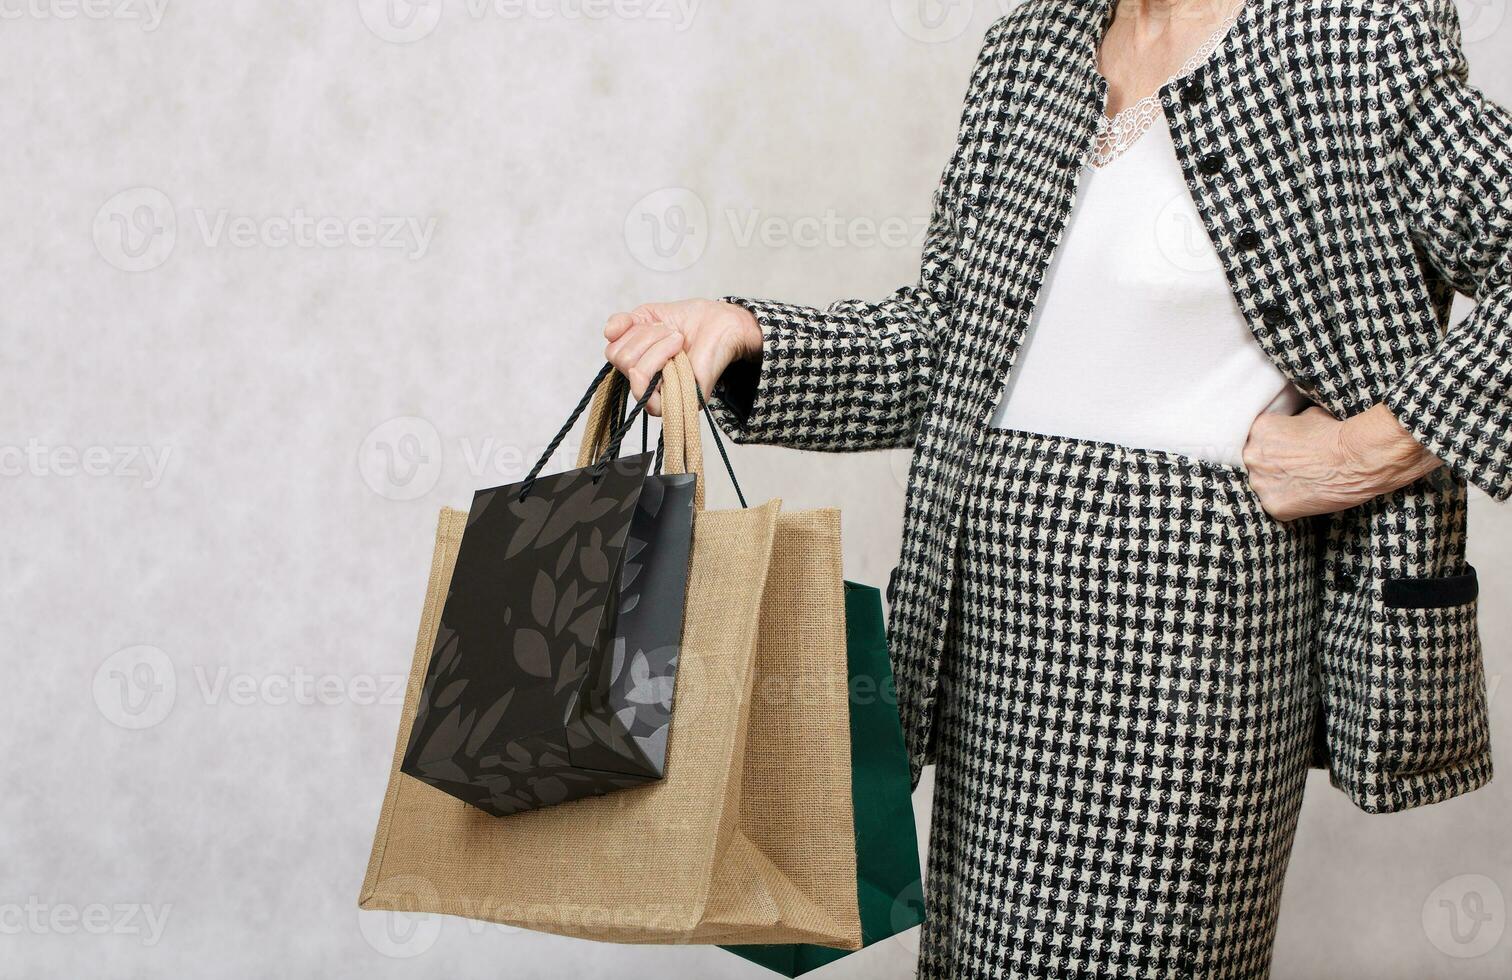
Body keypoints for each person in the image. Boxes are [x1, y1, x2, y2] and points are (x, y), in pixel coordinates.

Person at [602, 0, 1511, 975]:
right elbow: (942, 347)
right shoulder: (1032, 46)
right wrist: (745, 334)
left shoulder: (1352, 36)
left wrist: (1363, 452)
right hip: (991, 642)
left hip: (1188, 643)